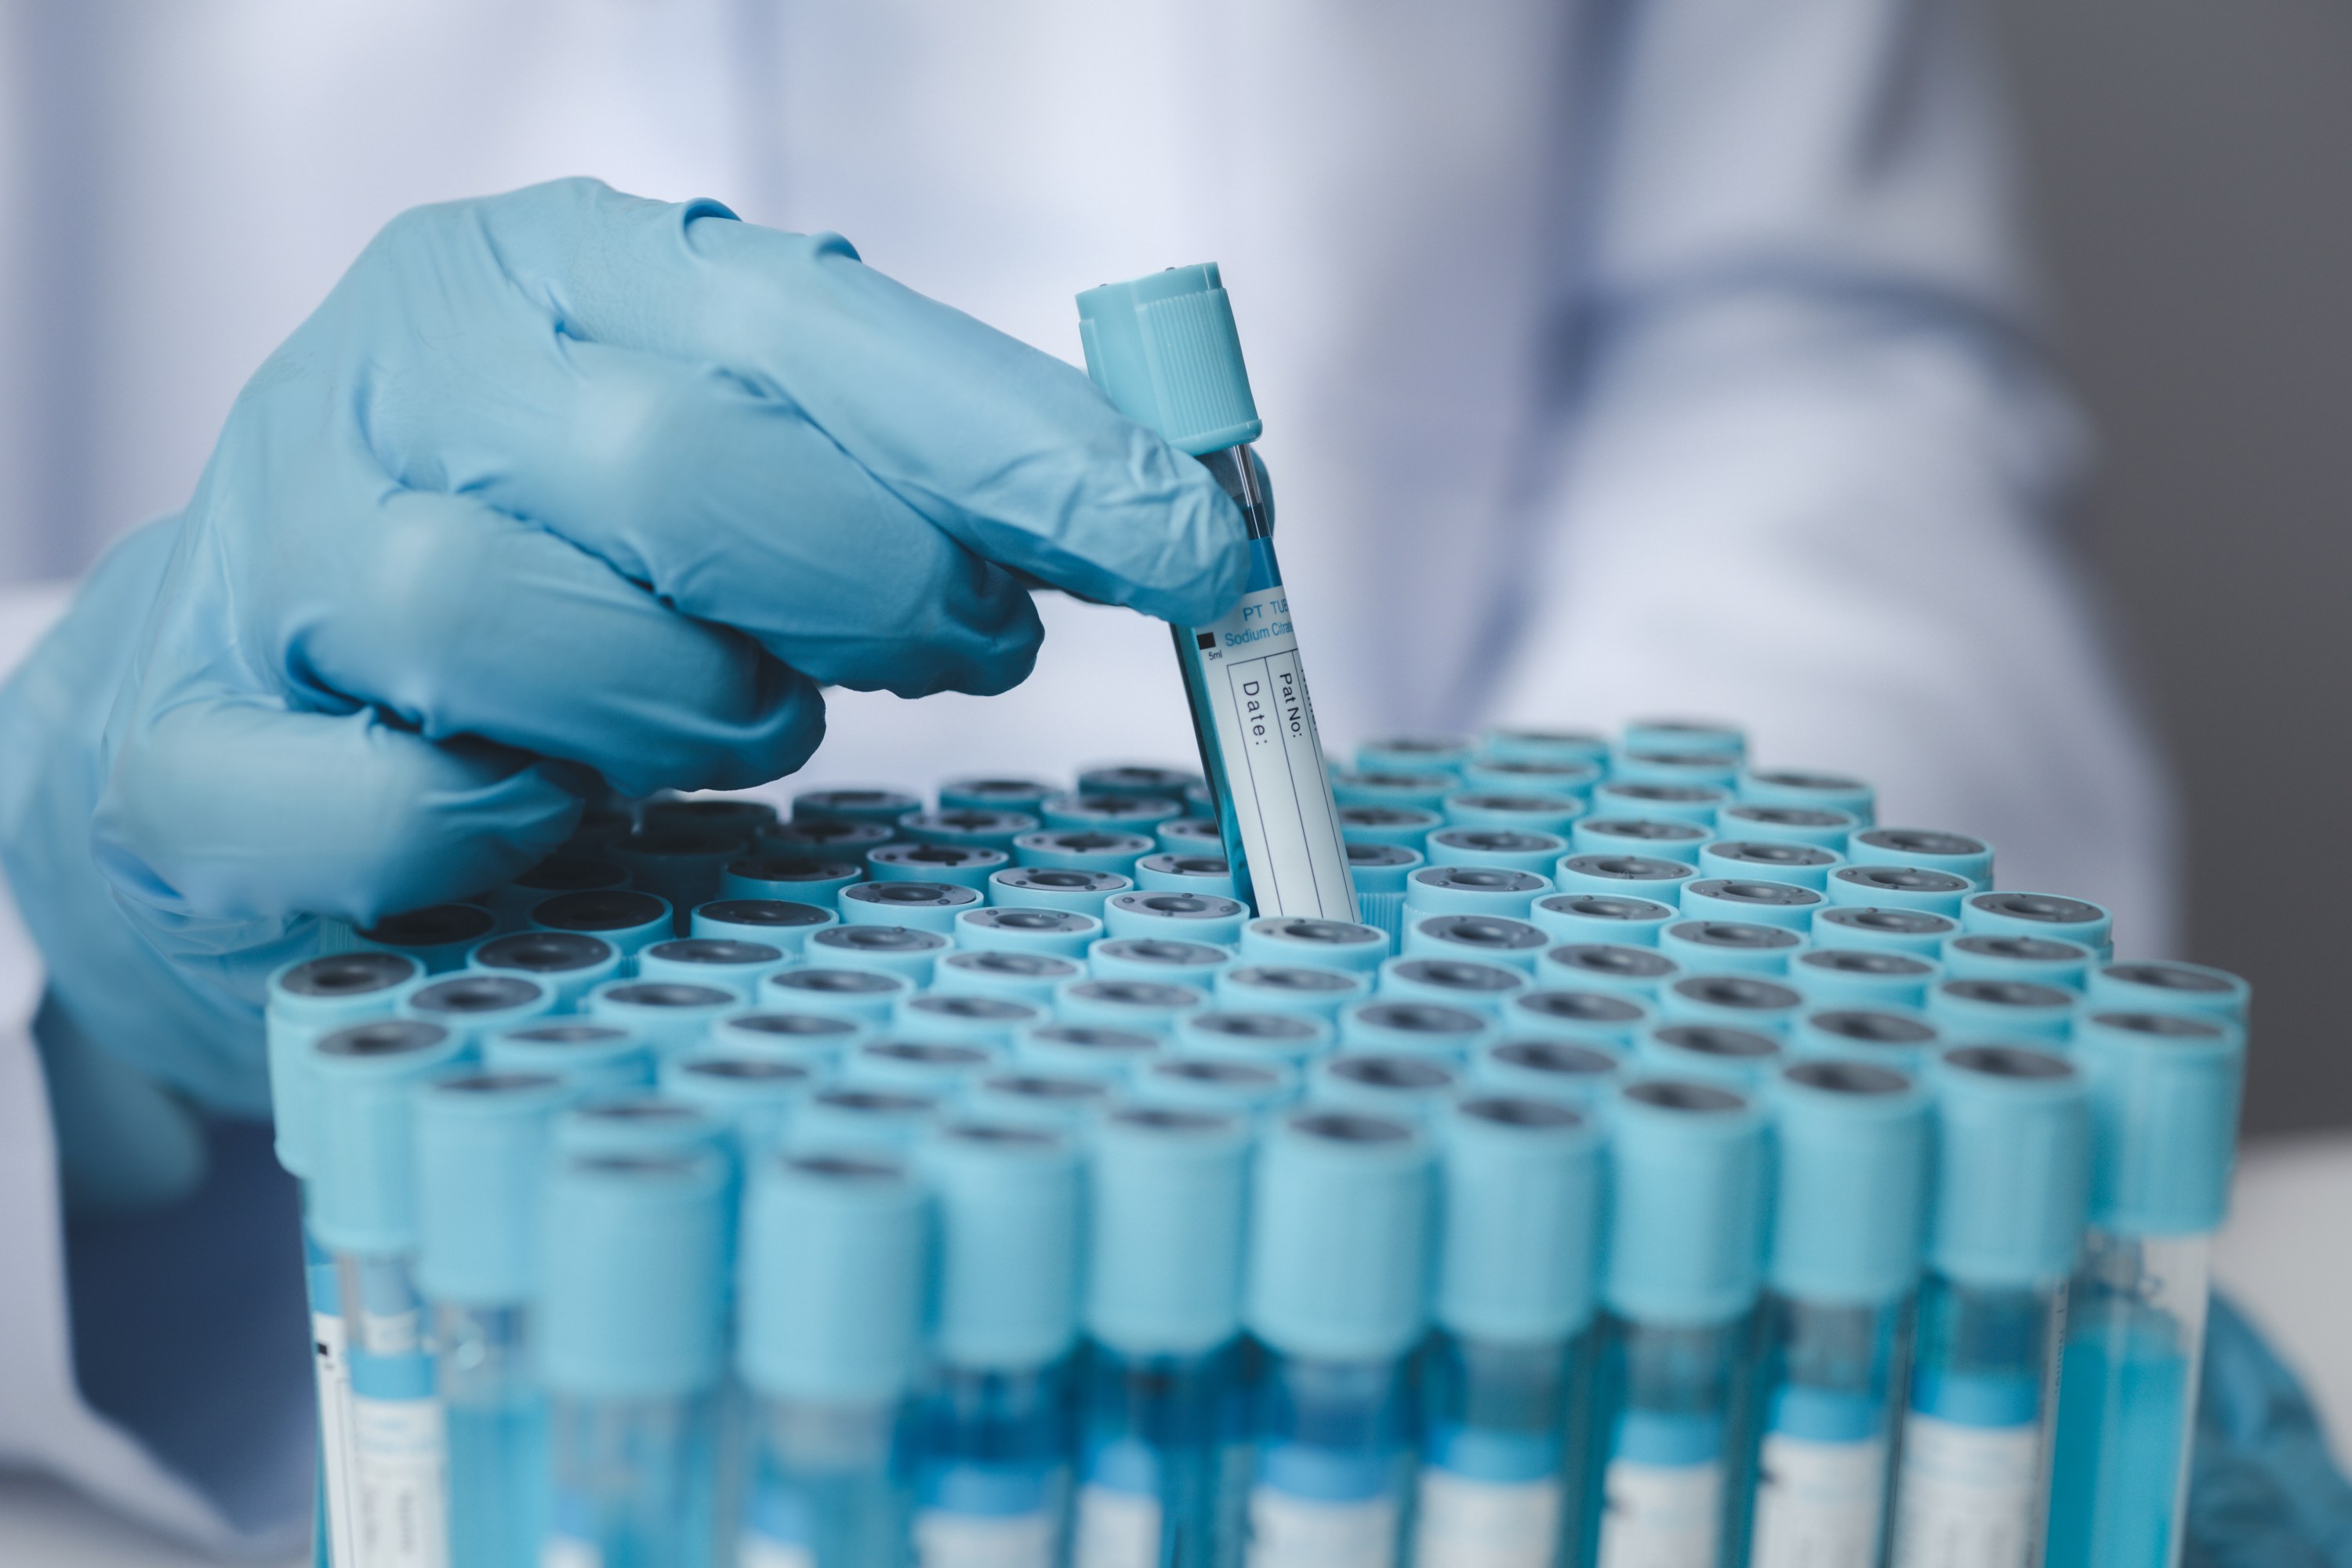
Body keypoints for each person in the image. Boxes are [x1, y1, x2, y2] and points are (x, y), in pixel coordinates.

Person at [0, 1, 2320, 1560]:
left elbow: (1800, 366)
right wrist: (62, 864)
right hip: (274, 1371)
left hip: (1452, 1315)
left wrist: (1646, 1050)